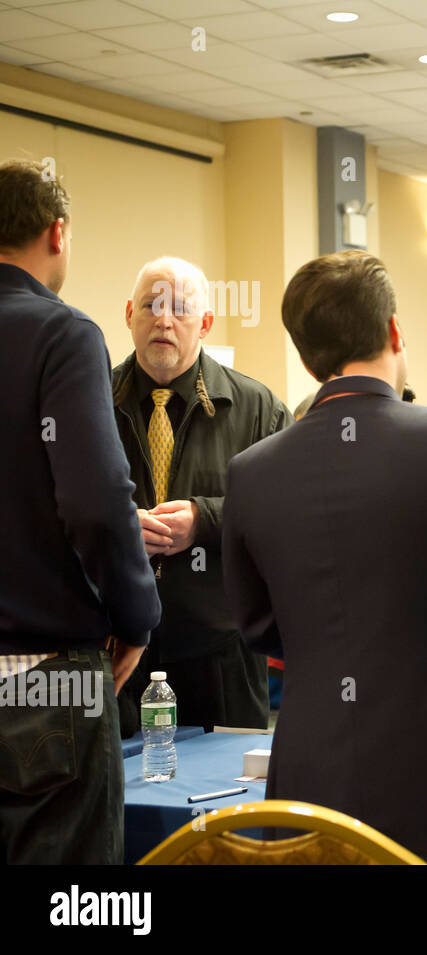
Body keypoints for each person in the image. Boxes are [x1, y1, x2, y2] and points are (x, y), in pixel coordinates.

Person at [223, 250, 427, 863]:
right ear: (394, 330)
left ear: (304, 354)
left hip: (307, 782)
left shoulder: (251, 472)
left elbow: (256, 624)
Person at [0, 159, 161, 863]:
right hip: (46, 680)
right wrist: (136, 616)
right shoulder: (60, 333)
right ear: (56, 232)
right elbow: (96, 502)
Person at [111, 257, 290, 736]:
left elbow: (290, 513)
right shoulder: (90, 400)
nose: (163, 320)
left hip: (223, 655)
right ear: (129, 314)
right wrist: (116, 525)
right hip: (117, 651)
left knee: (234, 804)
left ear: (206, 323)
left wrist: (205, 519)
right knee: (125, 803)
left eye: (181, 309)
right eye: (150, 305)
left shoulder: (259, 409)